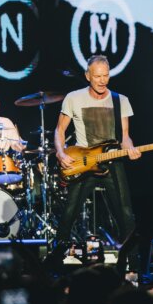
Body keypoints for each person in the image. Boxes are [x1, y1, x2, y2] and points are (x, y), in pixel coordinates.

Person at [53, 54, 141, 255]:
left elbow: (125, 137)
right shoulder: (73, 98)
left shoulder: (121, 100)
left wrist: (131, 148)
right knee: (69, 213)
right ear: (87, 76)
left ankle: (132, 264)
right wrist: (60, 152)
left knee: (126, 215)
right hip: (84, 162)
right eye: (97, 76)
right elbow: (59, 130)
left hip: (112, 161)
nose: (102, 80)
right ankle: (56, 260)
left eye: (106, 75)